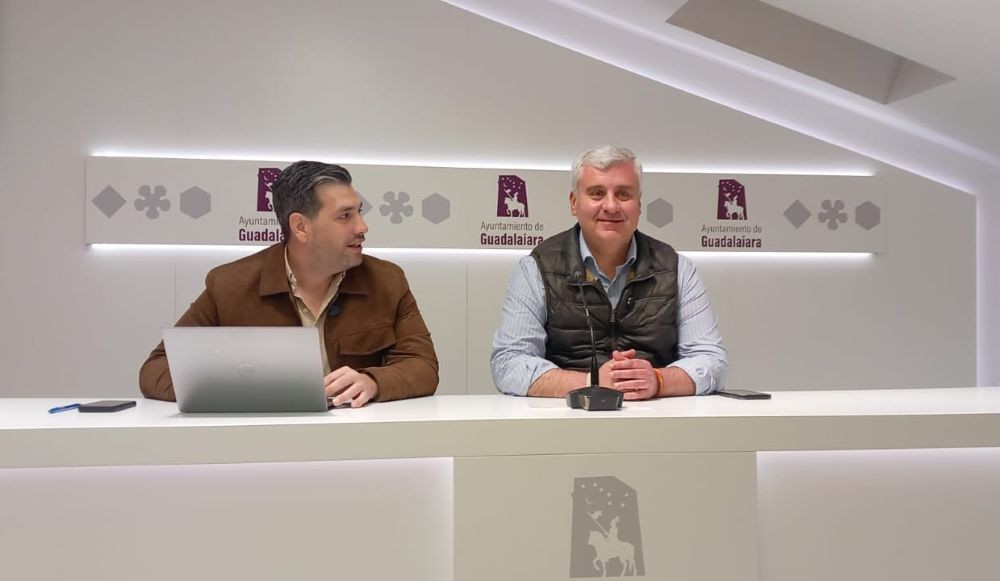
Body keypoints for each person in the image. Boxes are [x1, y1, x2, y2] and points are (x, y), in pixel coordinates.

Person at [140, 161, 438, 407]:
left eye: (359, 212)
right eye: (345, 216)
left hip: (359, 443)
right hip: (263, 445)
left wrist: (372, 382)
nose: (362, 227)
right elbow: (156, 370)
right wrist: (248, 389)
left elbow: (423, 366)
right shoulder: (229, 284)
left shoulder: (387, 280)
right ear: (300, 227)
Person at [491, 145, 726, 399]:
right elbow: (508, 363)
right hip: (566, 424)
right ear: (574, 202)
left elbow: (712, 359)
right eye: (597, 193)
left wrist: (658, 380)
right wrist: (592, 381)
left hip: (657, 424)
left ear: (639, 204)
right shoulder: (536, 267)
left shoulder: (677, 268)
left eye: (624, 194)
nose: (611, 206)